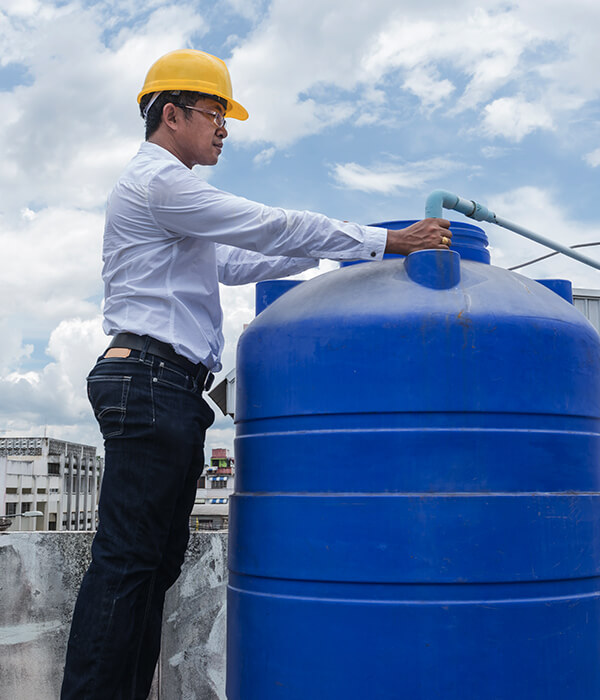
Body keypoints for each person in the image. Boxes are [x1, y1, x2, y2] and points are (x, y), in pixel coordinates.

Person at [61, 49, 452, 699]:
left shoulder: (174, 201)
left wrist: (347, 262)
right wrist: (386, 243)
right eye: (214, 113)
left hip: (167, 388)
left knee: (151, 566)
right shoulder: (161, 183)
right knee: (128, 564)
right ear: (170, 113)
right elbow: (267, 224)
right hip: (150, 382)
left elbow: (240, 260)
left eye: (225, 118)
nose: (222, 129)